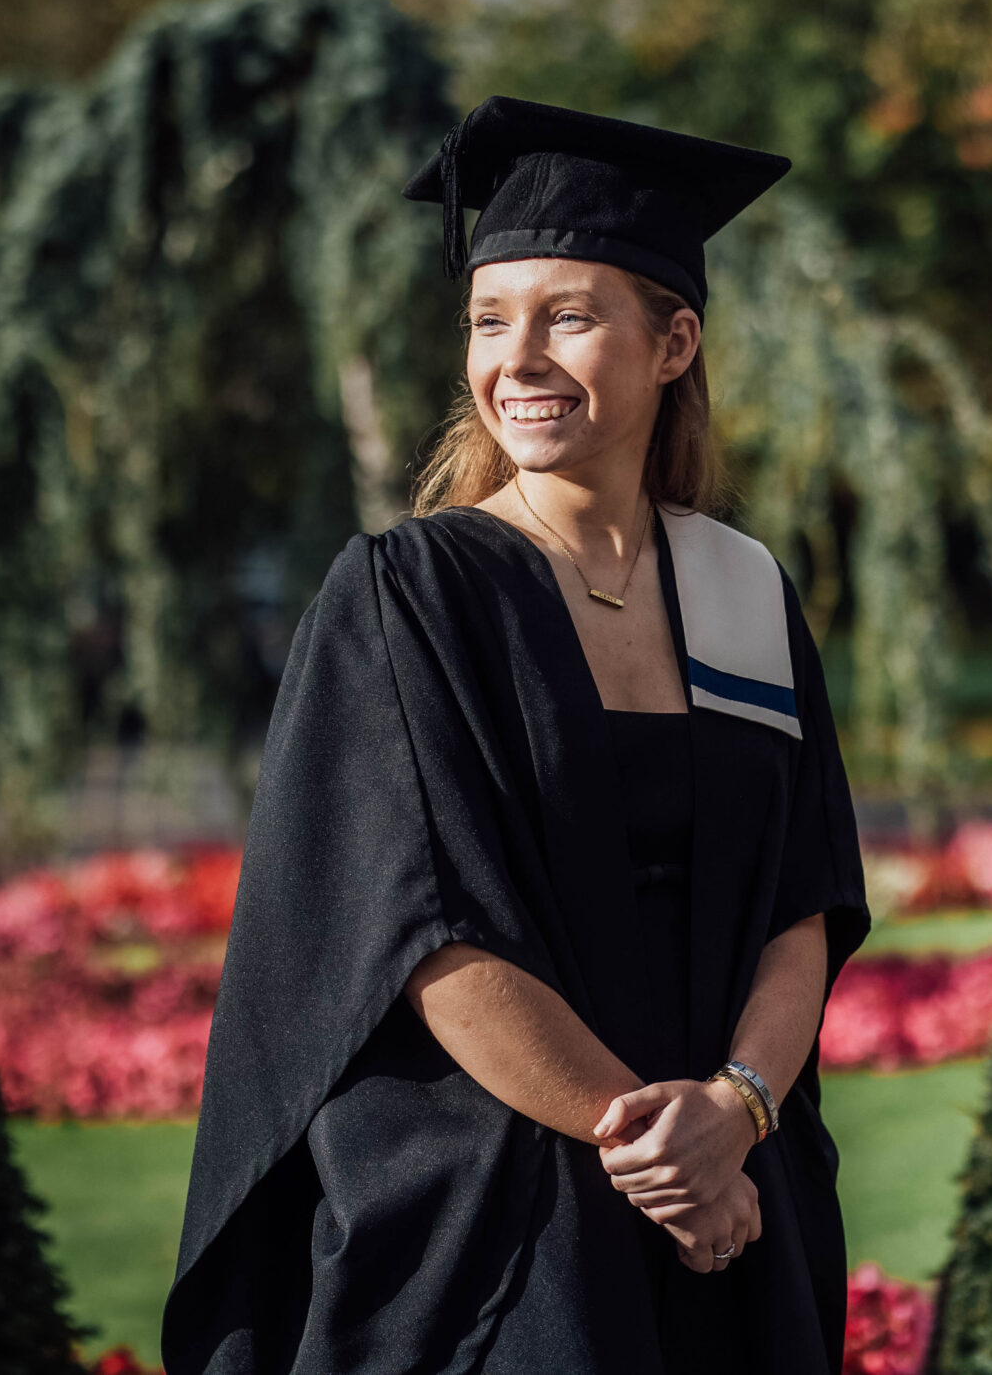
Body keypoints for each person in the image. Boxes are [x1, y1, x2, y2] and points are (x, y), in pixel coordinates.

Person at [161, 97, 870, 1375]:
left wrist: (737, 1111)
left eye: (569, 316)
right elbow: (425, 934)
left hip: (735, 1202)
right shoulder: (414, 596)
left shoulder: (743, 593)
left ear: (674, 342)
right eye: (489, 320)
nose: (518, 359)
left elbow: (801, 903)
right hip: (504, 1221)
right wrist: (659, 1154)